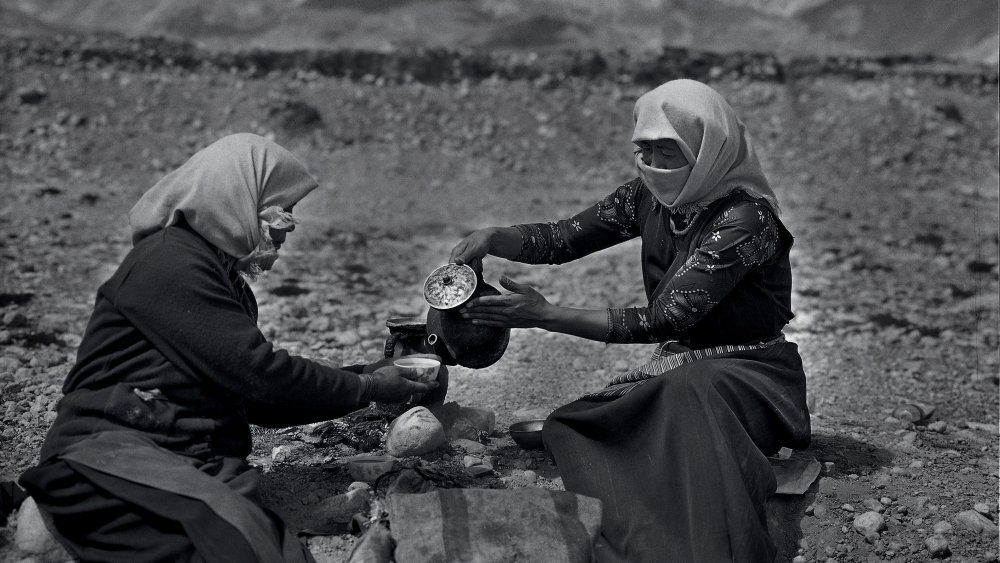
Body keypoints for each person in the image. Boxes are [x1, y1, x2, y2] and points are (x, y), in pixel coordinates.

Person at [18, 133, 437, 563]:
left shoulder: (224, 280)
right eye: (282, 212)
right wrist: (368, 385)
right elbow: (257, 372)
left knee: (255, 533)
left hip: (182, 450)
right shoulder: (171, 262)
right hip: (114, 448)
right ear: (237, 198)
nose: (286, 230)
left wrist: (364, 375)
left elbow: (257, 398)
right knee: (241, 545)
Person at [450, 79, 811, 562]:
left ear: (709, 149)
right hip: (685, 365)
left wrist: (545, 316)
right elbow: (564, 238)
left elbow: (667, 318)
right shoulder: (646, 197)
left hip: (755, 372)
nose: (655, 166)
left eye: (670, 152)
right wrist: (494, 237)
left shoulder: (746, 219)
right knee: (579, 424)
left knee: (685, 401)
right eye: (645, 150)